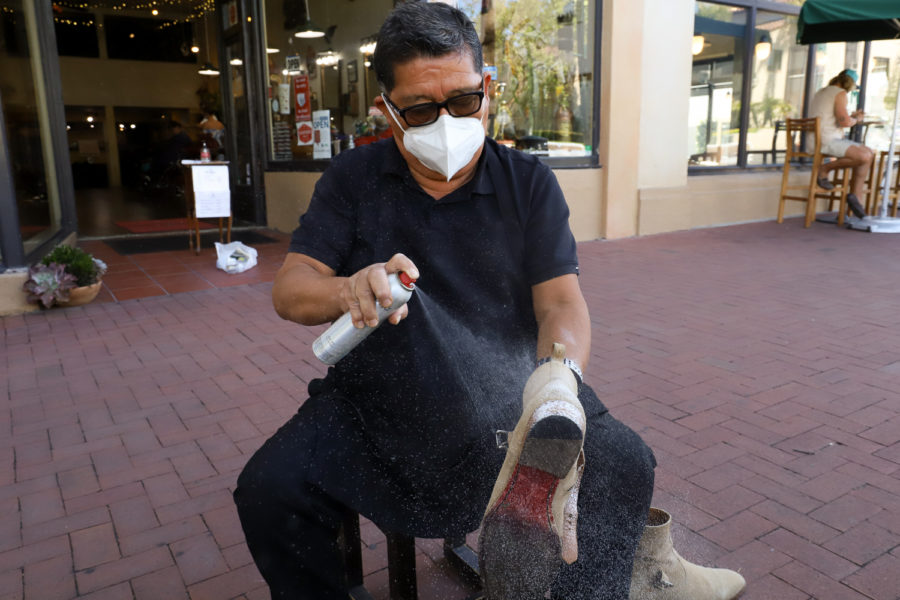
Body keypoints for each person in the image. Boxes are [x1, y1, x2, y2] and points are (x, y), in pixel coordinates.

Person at [233, 4, 744, 600]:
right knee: (269, 490)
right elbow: (291, 290)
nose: (446, 120)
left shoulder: (528, 182)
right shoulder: (353, 178)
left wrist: (559, 378)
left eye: (463, 100)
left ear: (488, 89)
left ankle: (607, 586)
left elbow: (560, 301)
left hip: (516, 397)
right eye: (422, 108)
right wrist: (349, 287)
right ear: (388, 111)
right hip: (379, 398)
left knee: (626, 463)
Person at [808, 69, 875, 219]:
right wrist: (857, 120)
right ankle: (824, 169)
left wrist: (850, 117)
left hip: (818, 138)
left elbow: (835, 118)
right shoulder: (840, 93)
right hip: (827, 140)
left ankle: (856, 199)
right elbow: (844, 122)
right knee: (864, 156)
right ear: (849, 83)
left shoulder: (822, 92)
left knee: (869, 153)